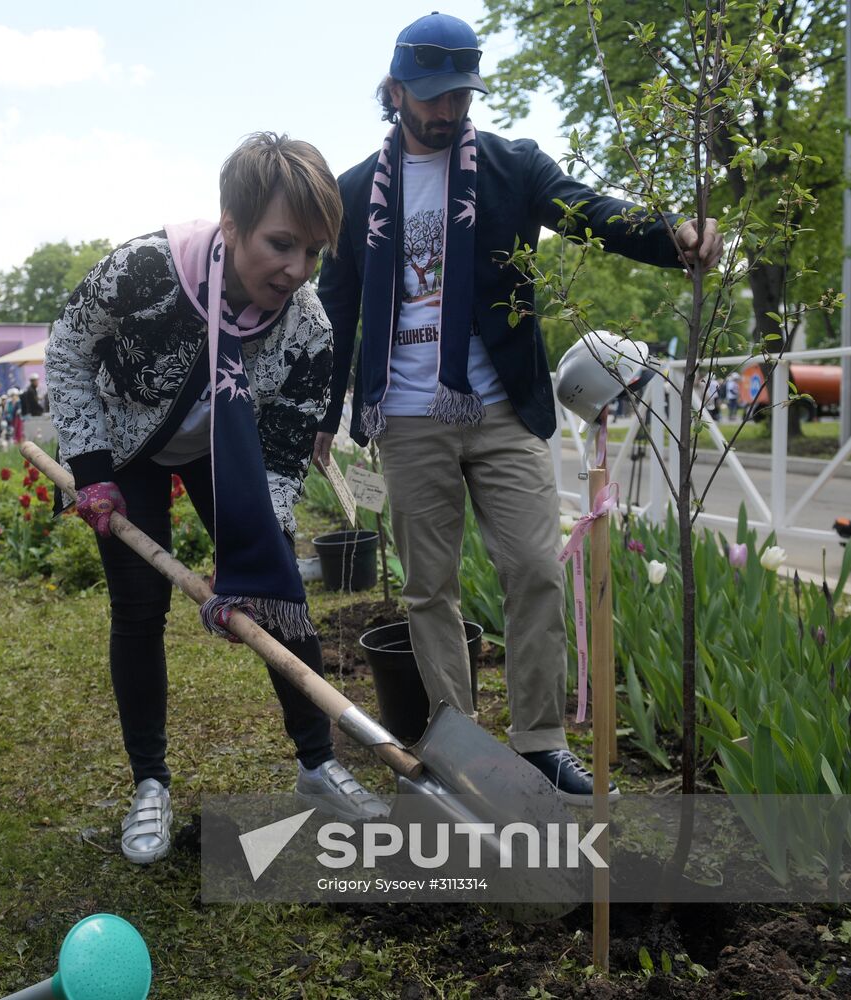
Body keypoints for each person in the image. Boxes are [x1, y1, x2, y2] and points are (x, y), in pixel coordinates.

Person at [313, 13, 723, 802]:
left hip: (503, 407)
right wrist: (324, 415)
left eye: (461, 95)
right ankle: (460, 743)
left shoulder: (511, 167)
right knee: (429, 587)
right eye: (431, 96)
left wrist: (669, 234)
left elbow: (587, 211)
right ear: (394, 91)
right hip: (403, 414)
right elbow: (337, 308)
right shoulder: (355, 190)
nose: (447, 110)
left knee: (533, 570)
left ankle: (538, 744)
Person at [46, 132, 387, 866]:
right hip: (125, 441)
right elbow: (68, 347)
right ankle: (150, 784)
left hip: (219, 451)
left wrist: (246, 570)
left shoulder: (310, 332)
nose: (297, 270)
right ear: (229, 225)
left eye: (314, 252)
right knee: (137, 607)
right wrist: (92, 467)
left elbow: (284, 462)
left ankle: (318, 764)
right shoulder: (145, 270)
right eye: (280, 243)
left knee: (278, 586)